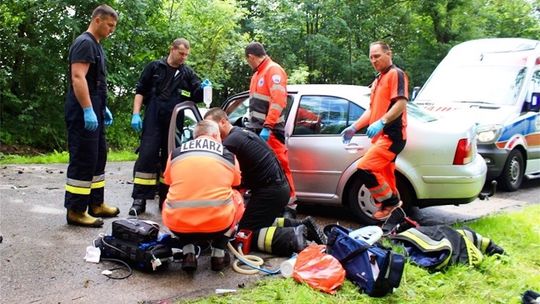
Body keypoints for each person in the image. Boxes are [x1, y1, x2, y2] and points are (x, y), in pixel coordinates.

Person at [204, 108, 325, 256]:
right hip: (277, 188)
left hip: (269, 191)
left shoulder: (230, 143)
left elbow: (225, 176)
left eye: (211, 126)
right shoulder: (242, 133)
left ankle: (293, 237)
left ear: (223, 122)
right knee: (261, 222)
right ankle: (302, 225)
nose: (209, 131)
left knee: (244, 233)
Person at [129, 38, 210, 216]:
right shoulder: (154, 68)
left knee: (171, 160)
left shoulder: (187, 73)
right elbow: (140, 90)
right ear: (172, 49)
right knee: (146, 156)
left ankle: (166, 199)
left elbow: (197, 95)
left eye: (186, 55)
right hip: (153, 117)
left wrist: (205, 89)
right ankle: (139, 200)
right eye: (181, 53)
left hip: (175, 122)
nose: (183, 58)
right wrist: (136, 113)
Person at [161, 120, 245, 272]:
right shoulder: (228, 155)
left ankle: (188, 252)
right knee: (237, 197)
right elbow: (236, 182)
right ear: (214, 135)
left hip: (179, 223)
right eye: (220, 136)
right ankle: (218, 252)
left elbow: (168, 180)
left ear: (195, 136)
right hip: (218, 224)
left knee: (171, 198)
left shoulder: (175, 153)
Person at [63, 4, 119, 227]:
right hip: (81, 110)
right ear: (97, 20)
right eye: (109, 25)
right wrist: (87, 108)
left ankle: (96, 204)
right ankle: (76, 211)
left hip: (94, 106)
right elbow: (78, 77)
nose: (111, 30)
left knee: (98, 157)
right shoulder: (85, 43)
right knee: (84, 159)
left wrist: (100, 107)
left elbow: (93, 80)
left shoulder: (96, 45)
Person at [341, 41, 408, 220]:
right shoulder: (378, 79)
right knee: (386, 178)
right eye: (371, 57)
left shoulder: (396, 74)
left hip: (392, 136)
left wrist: (382, 121)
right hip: (381, 137)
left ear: (389, 54)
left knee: (364, 168)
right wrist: (355, 127)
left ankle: (391, 202)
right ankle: (394, 216)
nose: (373, 60)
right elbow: (371, 110)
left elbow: (401, 103)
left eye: (377, 56)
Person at [244, 42, 298, 218]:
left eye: (248, 61)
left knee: (280, 165)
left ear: (251, 57)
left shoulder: (273, 71)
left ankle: (290, 205)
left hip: (271, 129)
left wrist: (268, 127)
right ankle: (264, 200)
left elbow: (278, 102)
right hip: (257, 129)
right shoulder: (258, 74)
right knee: (259, 167)